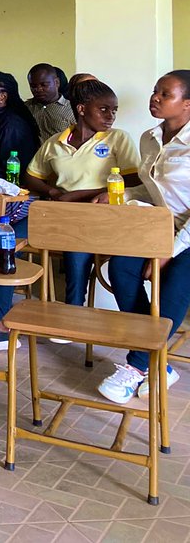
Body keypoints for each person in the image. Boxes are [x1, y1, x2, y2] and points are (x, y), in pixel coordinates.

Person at [97, 71, 190, 403]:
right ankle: (160, 365)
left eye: (165, 94)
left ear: (188, 103)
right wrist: (119, 193)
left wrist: (169, 250)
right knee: (120, 267)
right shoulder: (149, 138)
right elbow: (154, 191)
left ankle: (136, 365)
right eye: (155, 92)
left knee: (174, 284)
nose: (155, 98)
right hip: (158, 225)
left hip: (188, 235)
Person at [24, 79, 140, 310]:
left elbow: (134, 180)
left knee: (77, 245)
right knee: (18, 238)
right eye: (104, 109)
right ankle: (69, 310)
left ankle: (73, 308)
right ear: (81, 109)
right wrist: (53, 192)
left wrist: (79, 196)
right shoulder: (55, 143)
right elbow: (29, 177)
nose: (111, 116)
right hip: (65, 215)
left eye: (114, 110)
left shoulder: (117, 138)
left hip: (103, 216)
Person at [0, 72, 42, 352]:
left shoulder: (11, 125)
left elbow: (11, 177)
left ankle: (0, 322)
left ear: (3, 97)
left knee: (3, 243)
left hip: (15, 203)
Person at [26, 63, 75, 140]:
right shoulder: (25, 109)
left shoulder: (72, 110)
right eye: (33, 86)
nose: (38, 89)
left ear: (57, 82)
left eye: (44, 85)